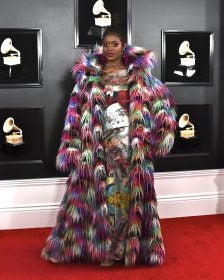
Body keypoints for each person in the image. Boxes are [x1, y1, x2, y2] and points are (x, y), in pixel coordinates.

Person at [41, 26, 177, 267]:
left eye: (115, 43)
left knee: (126, 194)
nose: (110, 48)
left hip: (130, 145)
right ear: (101, 47)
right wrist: (71, 146)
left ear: (123, 45)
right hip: (98, 144)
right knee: (99, 193)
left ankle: (122, 247)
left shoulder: (139, 74)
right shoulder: (90, 75)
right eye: (106, 44)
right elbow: (74, 111)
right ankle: (97, 247)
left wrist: (162, 133)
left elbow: (163, 101)